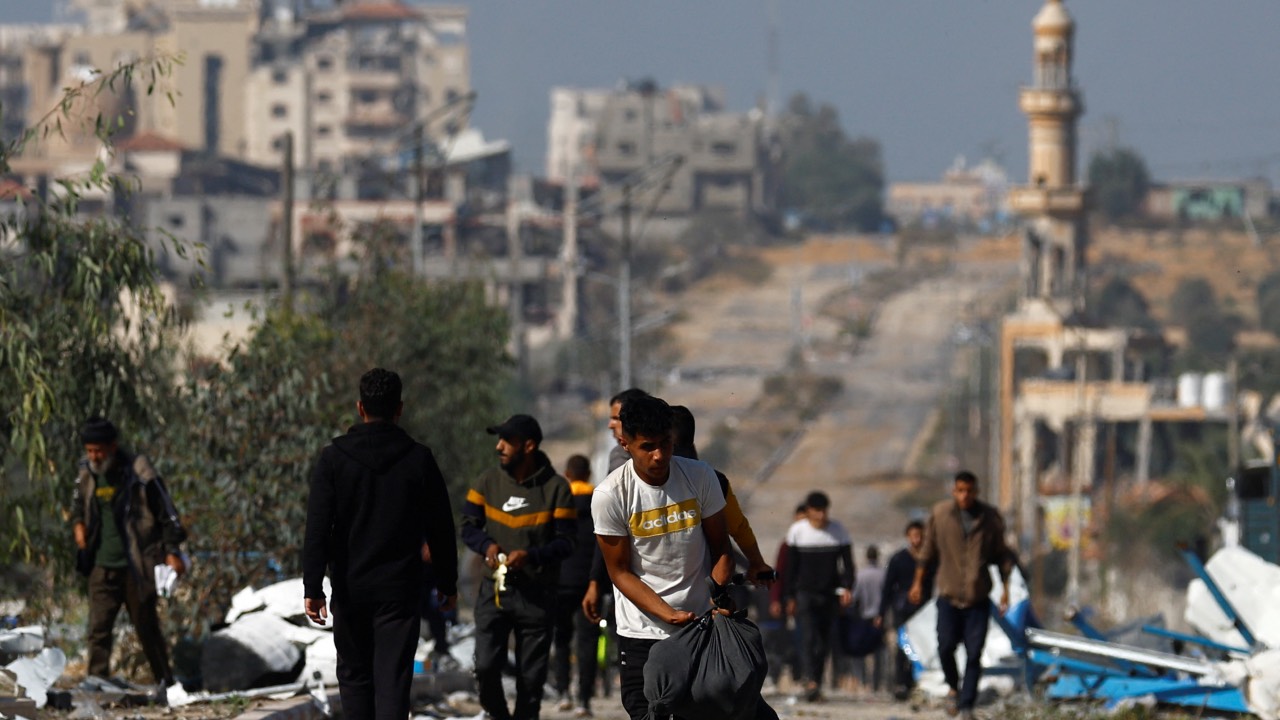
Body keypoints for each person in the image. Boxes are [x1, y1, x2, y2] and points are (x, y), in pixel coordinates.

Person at [303, 368, 459, 720]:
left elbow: (317, 528)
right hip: (400, 592)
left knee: (355, 677)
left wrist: (313, 586)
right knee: (393, 680)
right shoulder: (419, 458)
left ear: (360, 408)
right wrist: (447, 583)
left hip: (350, 587)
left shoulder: (334, 458)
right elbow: (441, 528)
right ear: (399, 409)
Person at [591, 394, 733, 720]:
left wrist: (718, 592)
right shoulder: (611, 495)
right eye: (648, 447)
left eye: (666, 444)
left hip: (698, 627)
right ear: (625, 443)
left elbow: (721, 548)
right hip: (641, 631)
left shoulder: (700, 477)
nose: (659, 455)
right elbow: (620, 572)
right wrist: (668, 614)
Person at [460, 414, 576, 720]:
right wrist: (487, 546)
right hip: (493, 592)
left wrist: (531, 556)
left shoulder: (557, 489)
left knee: (531, 680)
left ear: (528, 446)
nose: (498, 447)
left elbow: (566, 542)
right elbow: (468, 527)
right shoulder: (487, 481)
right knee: (485, 666)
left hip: (537, 596)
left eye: (506, 441)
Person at [72, 416, 188, 688]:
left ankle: (166, 683)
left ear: (112, 447)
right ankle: (97, 684)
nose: (94, 456)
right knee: (98, 628)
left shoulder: (139, 472)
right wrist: (79, 526)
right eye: (89, 451)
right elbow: (78, 506)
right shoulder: (87, 473)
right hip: (102, 563)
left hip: (137, 564)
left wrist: (172, 551)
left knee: (146, 626)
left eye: (98, 450)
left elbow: (167, 515)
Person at [908, 471, 1017, 720]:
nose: (964, 495)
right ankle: (953, 687)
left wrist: (1006, 591)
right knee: (945, 646)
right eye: (960, 490)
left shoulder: (989, 519)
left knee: (974, 652)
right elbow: (926, 552)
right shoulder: (941, 514)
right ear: (954, 491)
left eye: (969, 491)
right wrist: (917, 584)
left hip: (977, 598)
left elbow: (1002, 556)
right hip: (948, 596)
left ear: (976, 491)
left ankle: (966, 705)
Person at [669, 405, 774, 586]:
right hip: (710, 583)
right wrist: (757, 563)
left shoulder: (639, 481)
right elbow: (738, 527)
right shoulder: (715, 479)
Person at [781, 491, 854, 703]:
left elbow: (848, 565)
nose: (821, 516)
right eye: (817, 511)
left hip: (829, 594)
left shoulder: (838, 531)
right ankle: (809, 679)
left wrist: (847, 588)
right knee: (807, 637)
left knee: (823, 642)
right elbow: (790, 568)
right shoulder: (797, 531)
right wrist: (789, 596)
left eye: (824, 511)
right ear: (809, 511)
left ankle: (817, 681)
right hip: (804, 594)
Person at [550, 454, 601, 718]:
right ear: (589, 474)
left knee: (561, 638)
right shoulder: (599, 502)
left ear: (568, 474)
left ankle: (562, 693)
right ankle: (584, 699)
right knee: (588, 641)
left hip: (559, 582)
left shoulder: (556, 503)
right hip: (589, 583)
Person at [882, 520, 932, 700]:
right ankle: (900, 683)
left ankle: (916, 682)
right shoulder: (898, 559)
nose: (917, 540)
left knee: (921, 647)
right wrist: (882, 612)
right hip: (902, 610)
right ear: (908, 537)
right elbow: (887, 587)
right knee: (903, 647)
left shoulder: (929, 559)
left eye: (920, 536)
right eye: (914, 536)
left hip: (923, 612)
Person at [850, 545, 887, 694]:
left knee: (862, 651)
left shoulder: (861, 575)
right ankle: (877, 683)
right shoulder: (883, 574)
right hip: (880, 617)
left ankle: (864, 682)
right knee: (879, 652)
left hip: (864, 617)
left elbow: (855, 597)